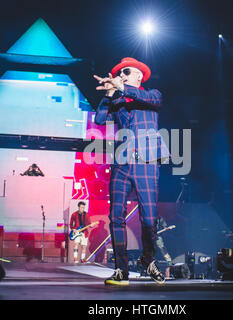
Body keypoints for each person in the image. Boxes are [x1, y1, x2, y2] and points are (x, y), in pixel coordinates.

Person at [94, 57, 169, 285]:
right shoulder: (118, 102)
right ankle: (121, 270)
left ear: (138, 75)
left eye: (126, 71)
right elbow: (99, 119)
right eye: (119, 73)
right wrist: (109, 94)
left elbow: (148, 98)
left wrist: (122, 87)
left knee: (149, 219)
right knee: (116, 217)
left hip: (146, 161)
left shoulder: (152, 94)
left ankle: (148, 259)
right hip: (122, 162)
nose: (122, 75)